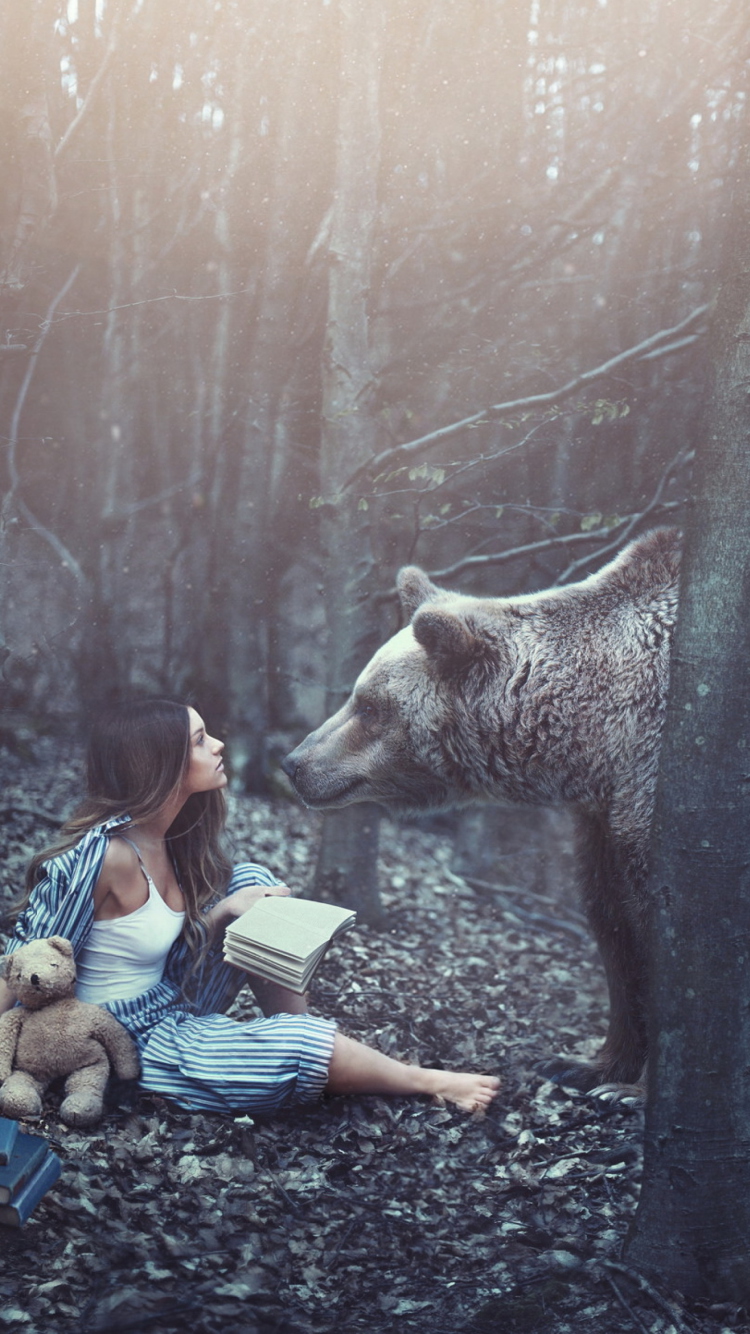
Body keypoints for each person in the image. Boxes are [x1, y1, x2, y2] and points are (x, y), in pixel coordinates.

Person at [0, 699, 499, 1117]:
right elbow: (22, 963)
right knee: (301, 1050)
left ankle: (293, 1032)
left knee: (251, 884)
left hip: (169, 998)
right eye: (198, 740)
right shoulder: (103, 856)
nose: (216, 745)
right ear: (158, 762)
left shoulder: (171, 839)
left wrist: (220, 915)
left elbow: (161, 942)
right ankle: (415, 1078)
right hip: (118, 1041)